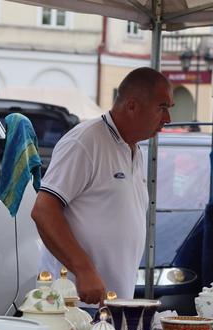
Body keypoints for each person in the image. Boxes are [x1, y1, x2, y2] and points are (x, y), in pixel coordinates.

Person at [31, 67, 173, 305]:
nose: (167, 119)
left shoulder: (133, 149)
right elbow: (44, 210)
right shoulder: (86, 141)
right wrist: (84, 269)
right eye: (162, 107)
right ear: (132, 106)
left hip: (111, 305)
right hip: (73, 304)